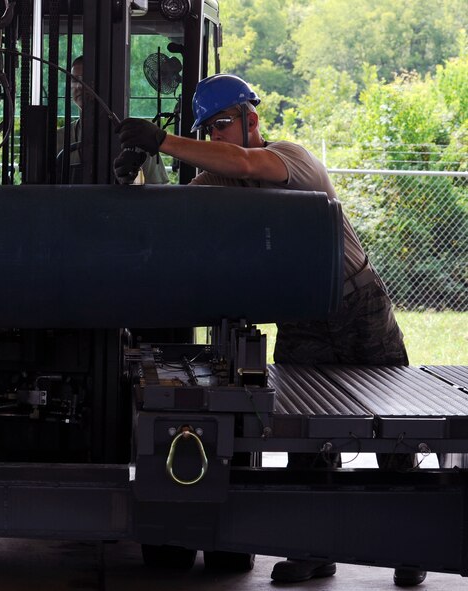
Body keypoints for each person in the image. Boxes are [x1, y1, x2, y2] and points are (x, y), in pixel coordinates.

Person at [114, 74, 424, 588]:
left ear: (251, 120)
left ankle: (408, 546)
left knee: (387, 426)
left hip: (356, 303)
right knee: (307, 437)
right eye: (207, 129)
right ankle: (313, 549)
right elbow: (175, 211)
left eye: (220, 124)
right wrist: (139, 173)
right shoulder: (219, 182)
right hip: (301, 315)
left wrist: (161, 139)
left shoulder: (287, 156)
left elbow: (245, 163)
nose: (215, 136)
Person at [57, 57, 167, 185]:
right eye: (74, 80)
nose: (79, 86)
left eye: (86, 80)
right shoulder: (59, 139)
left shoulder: (138, 137)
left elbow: (158, 190)